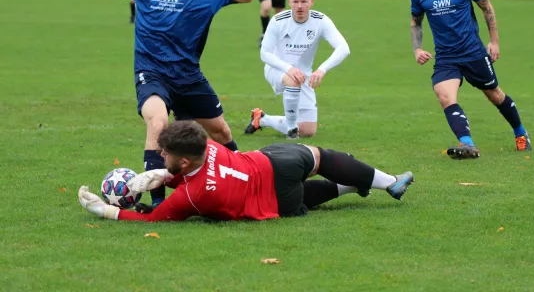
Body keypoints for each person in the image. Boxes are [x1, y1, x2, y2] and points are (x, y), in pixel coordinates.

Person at [31, 0, 256, 206]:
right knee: (158, 122)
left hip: (188, 77)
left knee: (221, 132)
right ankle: (159, 203)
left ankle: (247, 176)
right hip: (151, 72)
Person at [77, 120, 415, 222]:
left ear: (182, 162)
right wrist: (166, 174)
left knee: (302, 200)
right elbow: (193, 169)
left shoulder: (193, 197)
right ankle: (386, 182)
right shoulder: (207, 146)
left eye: (164, 152)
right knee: (321, 156)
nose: (159, 153)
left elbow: (153, 219)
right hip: (272, 162)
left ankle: (352, 185)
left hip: (273, 204)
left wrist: (106, 210)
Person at [409, 0, 531, 159]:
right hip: (446, 57)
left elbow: (487, 8)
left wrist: (494, 42)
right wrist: (417, 48)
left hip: (473, 52)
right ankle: (467, 144)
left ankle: (520, 132)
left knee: (495, 95)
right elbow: (416, 21)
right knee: (444, 95)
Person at [245, 0, 350, 139]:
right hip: (277, 69)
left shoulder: (320, 20)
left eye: (304, 2)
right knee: (293, 81)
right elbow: (265, 54)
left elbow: (343, 48)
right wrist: (289, 68)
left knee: (308, 131)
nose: (299, 6)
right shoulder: (278, 20)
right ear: (289, 2)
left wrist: (322, 69)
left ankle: (261, 119)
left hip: (303, 74)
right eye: (295, 2)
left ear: (311, 2)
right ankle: (291, 131)